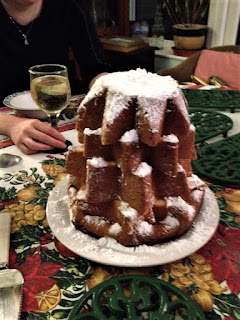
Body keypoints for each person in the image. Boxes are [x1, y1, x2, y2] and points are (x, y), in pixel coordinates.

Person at [0, 0, 110, 154]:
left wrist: (112, 94)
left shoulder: (72, 6)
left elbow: (96, 71)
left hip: (60, 120)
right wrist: (11, 125)